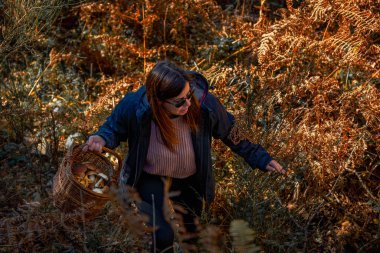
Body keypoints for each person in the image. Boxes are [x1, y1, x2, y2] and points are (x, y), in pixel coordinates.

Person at [84, 60, 285, 252]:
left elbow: (232, 132)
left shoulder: (205, 105)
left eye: (189, 94)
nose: (188, 103)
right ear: (158, 101)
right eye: (180, 101)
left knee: (192, 234)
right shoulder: (135, 106)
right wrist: (101, 138)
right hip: (150, 176)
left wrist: (262, 158)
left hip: (189, 179)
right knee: (162, 235)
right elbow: (113, 128)